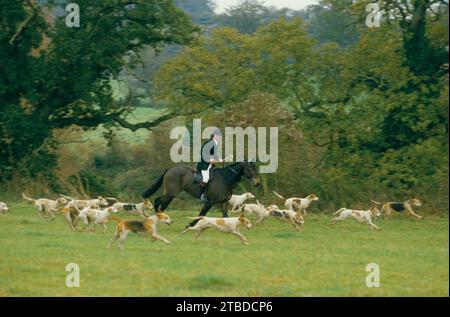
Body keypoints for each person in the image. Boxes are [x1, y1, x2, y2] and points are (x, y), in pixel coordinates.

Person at [196, 128, 223, 202]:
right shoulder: (208, 143)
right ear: (214, 136)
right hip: (204, 165)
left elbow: (215, 155)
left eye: (220, 136)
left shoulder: (215, 144)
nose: (220, 138)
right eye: (219, 136)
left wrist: (220, 160)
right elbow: (203, 154)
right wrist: (211, 160)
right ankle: (201, 195)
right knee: (206, 178)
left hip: (210, 166)